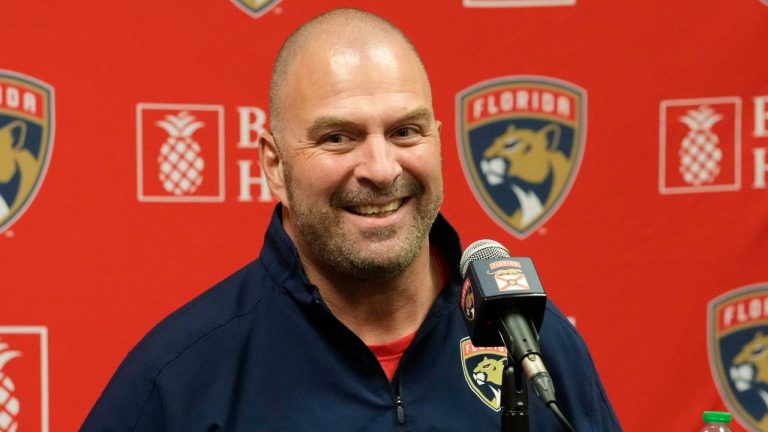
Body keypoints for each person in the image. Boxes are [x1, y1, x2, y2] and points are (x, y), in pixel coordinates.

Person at [81, 8, 621, 431]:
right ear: (274, 165)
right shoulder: (180, 381)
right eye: (338, 137)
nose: (382, 169)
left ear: (436, 139)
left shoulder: (535, 352)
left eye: (405, 132)